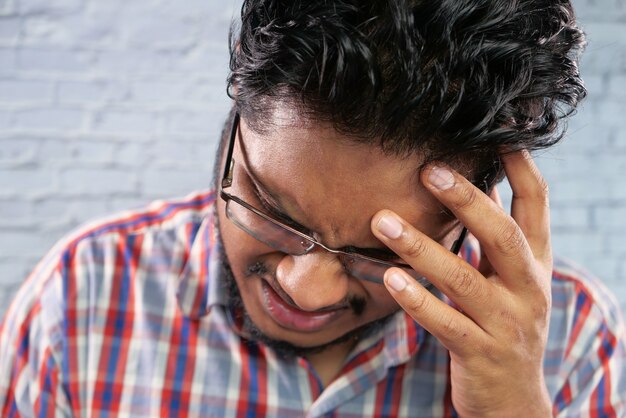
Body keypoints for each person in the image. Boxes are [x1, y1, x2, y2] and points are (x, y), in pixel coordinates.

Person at [1, 0, 625, 416]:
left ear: (481, 213)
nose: (308, 290)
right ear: (236, 121)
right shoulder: (79, 298)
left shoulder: (573, 344)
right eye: (272, 209)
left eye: (384, 253)